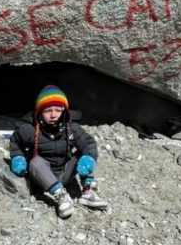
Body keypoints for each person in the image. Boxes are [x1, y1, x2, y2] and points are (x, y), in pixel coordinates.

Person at [9, 85, 109, 218]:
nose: (53, 115)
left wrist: (88, 158)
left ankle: (87, 192)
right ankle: (61, 196)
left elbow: (89, 143)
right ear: (39, 111)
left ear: (64, 110)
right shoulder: (29, 130)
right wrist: (18, 158)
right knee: (35, 162)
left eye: (58, 110)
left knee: (82, 153)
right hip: (43, 176)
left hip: (64, 171)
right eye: (48, 110)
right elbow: (15, 142)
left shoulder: (71, 128)